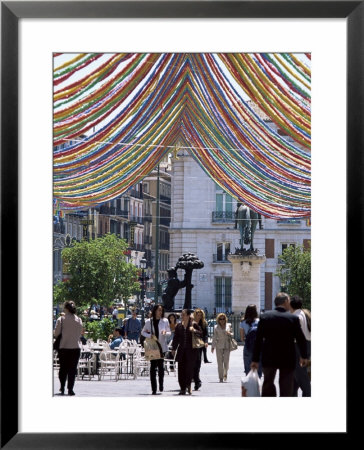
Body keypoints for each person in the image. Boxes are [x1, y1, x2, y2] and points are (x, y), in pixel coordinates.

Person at [251, 292, 308, 397]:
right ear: (286, 301)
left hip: (269, 356)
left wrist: (255, 359)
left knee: (268, 383)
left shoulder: (265, 317)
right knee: (286, 386)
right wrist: (304, 356)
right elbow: (301, 338)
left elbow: (258, 340)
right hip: (287, 357)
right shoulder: (292, 318)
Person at [54, 300, 83, 396]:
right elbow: (79, 333)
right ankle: (70, 389)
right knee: (72, 369)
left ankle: (62, 387)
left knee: (63, 369)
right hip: (75, 347)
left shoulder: (61, 319)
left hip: (64, 347)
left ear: (66, 308)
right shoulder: (79, 319)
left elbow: (56, 333)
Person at [141, 304, 171, 395]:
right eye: (158, 310)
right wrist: (149, 335)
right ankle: (154, 388)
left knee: (161, 367)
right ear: (154, 311)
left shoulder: (165, 321)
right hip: (153, 346)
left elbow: (169, 333)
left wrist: (165, 332)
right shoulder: (148, 322)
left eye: (161, 310)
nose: (160, 312)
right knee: (153, 367)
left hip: (161, 347)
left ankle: (161, 384)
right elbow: (142, 332)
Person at [172, 309, 202, 395]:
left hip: (191, 351)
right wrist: (174, 349)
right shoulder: (179, 326)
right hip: (181, 351)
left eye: (184, 315)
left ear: (188, 316)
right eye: (181, 315)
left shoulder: (194, 325)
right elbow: (176, 338)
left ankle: (188, 385)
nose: (182, 316)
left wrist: (194, 331)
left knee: (189, 370)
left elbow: (201, 334)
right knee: (181, 370)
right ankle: (182, 388)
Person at [289, 296, 311, 397]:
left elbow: (296, 335)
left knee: (301, 376)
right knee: (295, 377)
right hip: (305, 345)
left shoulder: (296, 317)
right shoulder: (302, 313)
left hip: (298, 346)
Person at [240, 304, 262, 378]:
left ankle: (249, 387)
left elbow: (242, 338)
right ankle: (257, 387)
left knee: (248, 369)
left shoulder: (242, 322)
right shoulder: (259, 321)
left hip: (248, 347)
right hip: (258, 347)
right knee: (258, 369)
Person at [211, 313, 233, 382]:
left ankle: (225, 374)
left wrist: (230, 333)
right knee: (219, 362)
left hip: (227, 345)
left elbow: (233, 333)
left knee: (226, 361)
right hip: (219, 345)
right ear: (218, 319)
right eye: (220, 319)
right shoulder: (216, 327)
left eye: (223, 319)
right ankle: (220, 377)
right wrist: (212, 347)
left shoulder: (229, 325)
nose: (222, 320)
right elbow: (214, 337)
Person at [192, 308, 209, 390]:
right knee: (193, 364)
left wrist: (206, 342)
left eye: (200, 315)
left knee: (198, 363)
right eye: (197, 315)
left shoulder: (204, 323)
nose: (199, 317)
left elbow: (206, 334)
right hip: (192, 345)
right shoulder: (191, 323)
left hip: (200, 345)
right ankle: (197, 380)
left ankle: (197, 381)